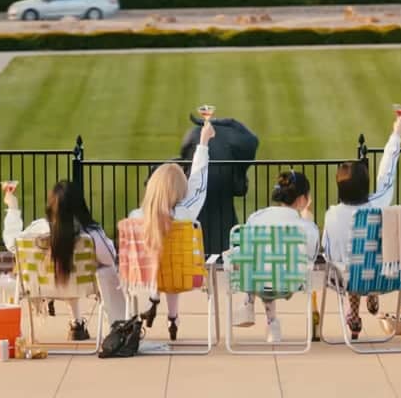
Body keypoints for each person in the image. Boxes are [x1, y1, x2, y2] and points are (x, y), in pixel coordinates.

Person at [3, 180, 126, 340]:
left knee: (65, 263)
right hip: (79, 285)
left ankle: (77, 323)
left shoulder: (37, 229)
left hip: (40, 286)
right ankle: (118, 325)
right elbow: (110, 258)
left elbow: (12, 244)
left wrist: (12, 208)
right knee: (106, 270)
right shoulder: (91, 234)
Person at [321, 113, 401, 338]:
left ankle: (354, 313)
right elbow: (387, 174)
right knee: (363, 258)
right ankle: (370, 294)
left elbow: (329, 253)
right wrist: (396, 135)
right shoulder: (379, 204)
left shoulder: (333, 215)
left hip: (349, 278)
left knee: (350, 264)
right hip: (383, 275)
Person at [128, 119, 214, 340]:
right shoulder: (185, 214)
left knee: (165, 261)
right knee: (173, 264)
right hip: (183, 276)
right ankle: (173, 318)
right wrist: (203, 143)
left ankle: (153, 301)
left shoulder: (136, 217)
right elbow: (198, 183)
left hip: (143, 280)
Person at [232, 170, 320, 344]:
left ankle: (252, 306)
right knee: (271, 267)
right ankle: (271, 323)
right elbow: (310, 256)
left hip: (255, 282)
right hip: (291, 282)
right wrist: (307, 217)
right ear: (303, 199)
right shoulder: (307, 228)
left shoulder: (256, 218)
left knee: (261, 266)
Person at [179, 115, 258, 255]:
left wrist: (219, 122)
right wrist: (229, 122)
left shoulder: (192, 137)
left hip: (201, 224)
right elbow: (252, 141)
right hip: (224, 221)